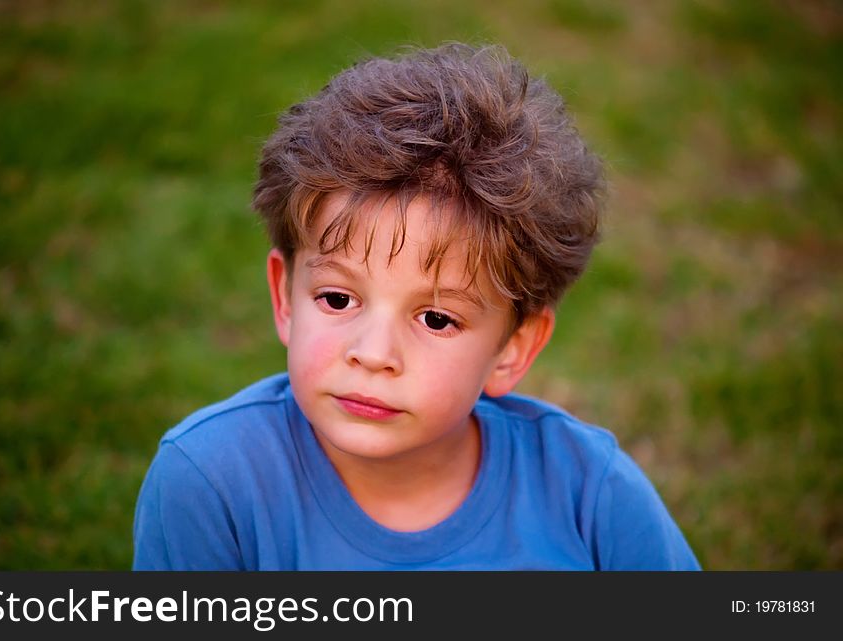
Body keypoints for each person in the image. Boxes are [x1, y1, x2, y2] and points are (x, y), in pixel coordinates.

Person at [132, 43, 700, 570]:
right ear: (285, 297)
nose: (373, 354)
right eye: (337, 298)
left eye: (436, 318)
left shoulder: (589, 497)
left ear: (514, 347)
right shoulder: (210, 483)